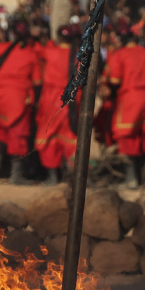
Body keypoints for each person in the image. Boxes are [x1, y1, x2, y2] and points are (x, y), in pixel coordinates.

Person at [0, 19, 42, 185]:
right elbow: (37, 82)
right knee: (18, 136)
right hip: (18, 101)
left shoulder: (2, 48)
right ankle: (16, 175)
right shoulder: (31, 54)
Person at [104, 19, 145, 188]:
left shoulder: (120, 54)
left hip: (131, 97)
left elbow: (115, 81)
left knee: (125, 136)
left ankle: (131, 179)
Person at [34, 24, 81, 185]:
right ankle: (75, 176)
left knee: (48, 134)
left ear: (59, 38)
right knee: (71, 136)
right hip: (74, 99)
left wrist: (40, 37)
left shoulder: (50, 52)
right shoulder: (79, 55)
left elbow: (36, 49)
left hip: (53, 99)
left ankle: (53, 177)